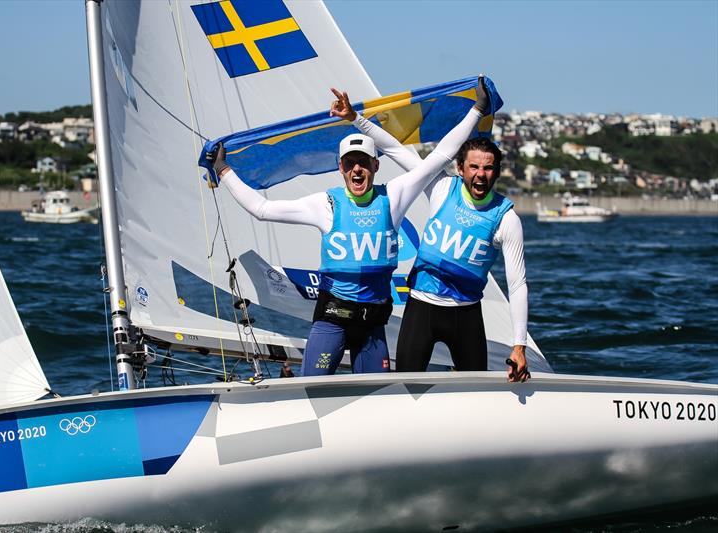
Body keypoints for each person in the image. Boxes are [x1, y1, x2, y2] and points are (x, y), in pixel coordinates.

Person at [206, 81, 490, 376]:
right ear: (341, 168)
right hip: (332, 321)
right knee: (311, 390)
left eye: (364, 163)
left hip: (373, 326)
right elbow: (262, 210)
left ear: (375, 166)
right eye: (350, 163)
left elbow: (440, 156)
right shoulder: (325, 204)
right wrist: (224, 171)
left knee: (375, 401)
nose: (357, 169)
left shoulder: (393, 197)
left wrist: (477, 109)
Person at [334, 82, 530, 382]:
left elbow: (517, 285)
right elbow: (394, 149)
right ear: (460, 169)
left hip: (466, 315)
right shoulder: (440, 187)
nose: (480, 174)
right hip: (422, 309)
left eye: (488, 168)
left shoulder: (506, 218)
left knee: (475, 395)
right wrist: (355, 119)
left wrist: (519, 346)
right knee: (406, 390)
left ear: (497, 172)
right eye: (474, 167)